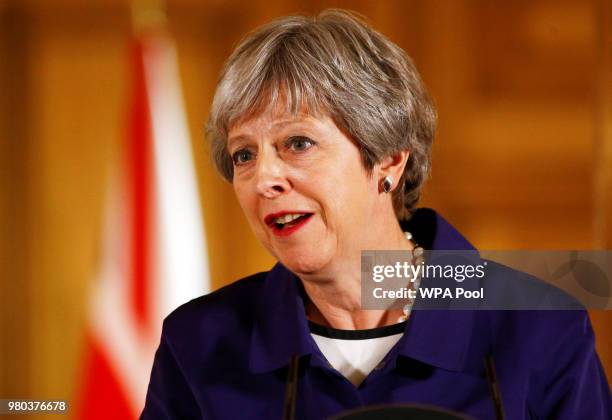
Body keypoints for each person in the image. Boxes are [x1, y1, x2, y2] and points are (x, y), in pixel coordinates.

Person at [141, 9, 611, 419]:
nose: (264, 179)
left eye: (298, 144)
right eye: (244, 155)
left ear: (387, 160)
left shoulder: (537, 325)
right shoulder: (199, 343)